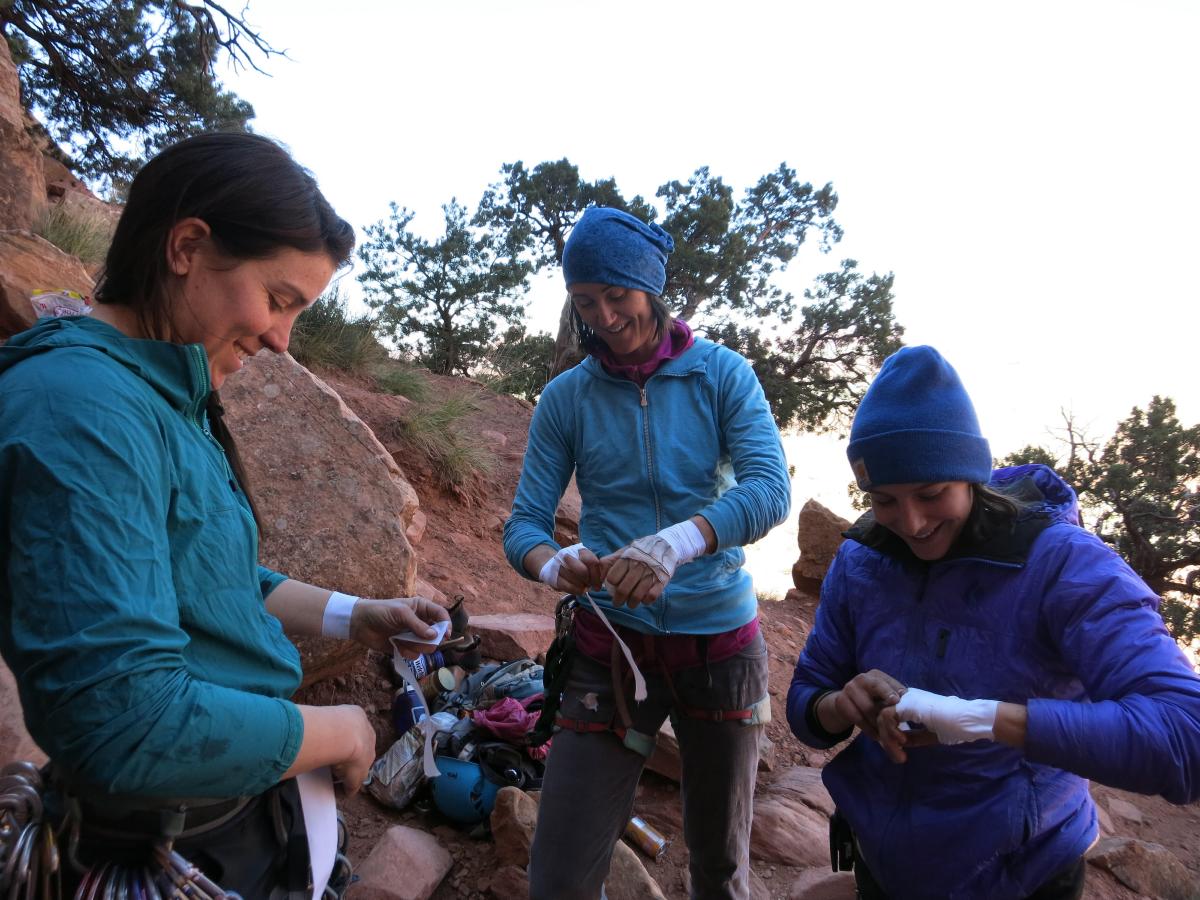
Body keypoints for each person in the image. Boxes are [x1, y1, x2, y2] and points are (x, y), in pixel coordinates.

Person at [0, 132, 448, 898]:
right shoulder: (80, 409)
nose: (281, 339)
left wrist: (358, 614)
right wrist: (338, 730)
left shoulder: (163, 393)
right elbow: (125, 722)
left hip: (234, 823)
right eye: (280, 300)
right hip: (172, 839)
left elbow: (218, 572)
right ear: (187, 247)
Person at [787, 345, 1200, 900]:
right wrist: (843, 706)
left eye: (931, 494)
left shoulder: (1062, 563)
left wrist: (976, 719)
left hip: (1021, 872)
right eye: (883, 499)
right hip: (884, 861)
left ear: (970, 474)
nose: (909, 522)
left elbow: (1184, 736)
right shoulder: (862, 562)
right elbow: (808, 697)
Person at [503, 206, 791, 899]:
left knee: (720, 871)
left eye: (617, 296)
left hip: (720, 645)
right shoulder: (567, 397)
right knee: (561, 876)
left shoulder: (722, 375)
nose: (602, 316)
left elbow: (769, 489)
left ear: (652, 290)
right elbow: (523, 527)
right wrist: (555, 566)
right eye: (584, 301)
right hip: (612, 646)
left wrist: (680, 540)